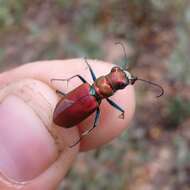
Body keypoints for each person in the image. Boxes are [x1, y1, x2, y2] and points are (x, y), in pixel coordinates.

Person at [0, 59, 135, 189]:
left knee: (92, 114)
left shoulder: (86, 87)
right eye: (115, 71)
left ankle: (80, 133)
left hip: (68, 108)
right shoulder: (95, 101)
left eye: (121, 84)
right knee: (95, 124)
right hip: (66, 112)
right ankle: (81, 136)